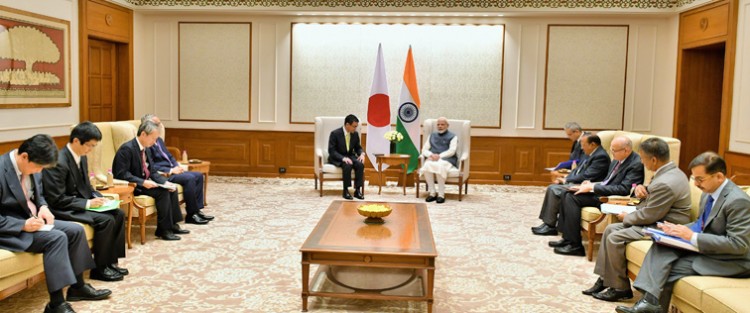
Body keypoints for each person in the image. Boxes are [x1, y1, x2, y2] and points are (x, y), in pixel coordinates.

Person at [615, 152, 750, 313]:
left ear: (719, 177)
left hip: (734, 260)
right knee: (661, 244)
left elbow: (739, 245)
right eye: (694, 179)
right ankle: (651, 305)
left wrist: (692, 236)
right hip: (709, 248)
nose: (697, 184)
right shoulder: (708, 193)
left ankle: (651, 305)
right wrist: (676, 229)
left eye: (700, 179)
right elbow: (702, 223)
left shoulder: (738, 201)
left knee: (670, 267)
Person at [1, 135, 111, 313]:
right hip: (9, 229)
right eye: (37, 167)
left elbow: (39, 195)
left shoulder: (32, 167)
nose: (38, 172)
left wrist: (43, 206)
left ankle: (78, 287)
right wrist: (22, 225)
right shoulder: (1, 170)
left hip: (34, 221)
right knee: (57, 238)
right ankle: (56, 304)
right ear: (24, 156)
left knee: (75, 230)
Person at [581, 137, 691, 302]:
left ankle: (620, 288)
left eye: (643, 158)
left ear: (653, 159)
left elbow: (650, 215)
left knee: (615, 236)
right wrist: (643, 188)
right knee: (610, 229)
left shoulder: (666, 181)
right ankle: (605, 279)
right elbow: (655, 197)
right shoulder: (669, 171)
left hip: (663, 226)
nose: (641, 161)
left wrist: (628, 216)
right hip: (657, 217)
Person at [42, 122, 128, 282]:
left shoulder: (80, 157)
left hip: (77, 202)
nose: (91, 150)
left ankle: (111, 263)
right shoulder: (58, 162)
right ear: (76, 141)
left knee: (119, 214)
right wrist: (88, 204)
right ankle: (99, 269)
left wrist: (95, 197)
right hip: (62, 208)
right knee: (105, 220)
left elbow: (85, 186)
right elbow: (56, 199)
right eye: (89, 145)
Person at [551, 136, 646, 256]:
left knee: (572, 197)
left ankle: (575, 246)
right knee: (566, 192)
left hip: (610, 199)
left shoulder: (635, 164)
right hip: (603, 192)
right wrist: (591, 184)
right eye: (611, 149)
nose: (611, 153)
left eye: (614, 150)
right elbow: (607, 181)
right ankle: (567, 239)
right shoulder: (617, 159)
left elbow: (624, 189)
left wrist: (593, 188)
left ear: (626, 150)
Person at [113, 120, 186, 241]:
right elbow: (122, 174)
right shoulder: (126, 149)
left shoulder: (146, 148)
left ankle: (172, 225)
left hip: (146, 183)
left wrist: (165, 182)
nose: (154, 142)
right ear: (143, 134)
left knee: (171, 189)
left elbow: (152, 171)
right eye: (153, 138)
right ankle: (163, 230)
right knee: (162, 193)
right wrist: (142, 182)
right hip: (134, 186)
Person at [532, 134, 610, 236]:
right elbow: (577, 170)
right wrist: (565, 179)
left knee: (553, 189)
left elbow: (587, 176)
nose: (581, 147)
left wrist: (566, 180)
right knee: (552, 188)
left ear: (592, 144)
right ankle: (547, 223)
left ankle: (550, 225)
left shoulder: (601, 156)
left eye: (583, 144)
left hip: (588, 188)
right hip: (579, 183)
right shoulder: (590, 153)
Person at [142, 114, 212, 225]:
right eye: (157, 124)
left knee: (198, 175)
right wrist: (170, 171)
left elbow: (169, 156)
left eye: (160, 124)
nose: (160, 126)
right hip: (164, 174)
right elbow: (151, 166)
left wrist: (176, 166)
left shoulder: (159, 140)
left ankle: (197, 211)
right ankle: (191, 214)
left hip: (173, 169)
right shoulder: (146, 144)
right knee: (189, 178)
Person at [418, 117, 457, 204]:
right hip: (433, 157)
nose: (440, 126)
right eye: (438, 124)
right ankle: (432, 193)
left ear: (447, 126)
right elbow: (424, 149)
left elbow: (452, 151)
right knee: (427, 165)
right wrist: (431, 155)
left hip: (447, 159)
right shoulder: (432, 135)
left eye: (442, 124)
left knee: (439, 166)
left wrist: (439, 156)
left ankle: (441, 195)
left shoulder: (453, 136)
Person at [328, 114, 365, 200]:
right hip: (338, 157)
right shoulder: (335, 134)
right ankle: (346, 190)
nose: (355, 128)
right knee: (347, 165)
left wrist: (362, 154)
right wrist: (343, 158)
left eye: (356, 126)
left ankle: (357, 191)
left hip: (350, 156)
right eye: (354, 126)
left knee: (360, 164)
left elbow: (358, 148)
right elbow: (332, 151)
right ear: (347, 125)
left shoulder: (355, 134)